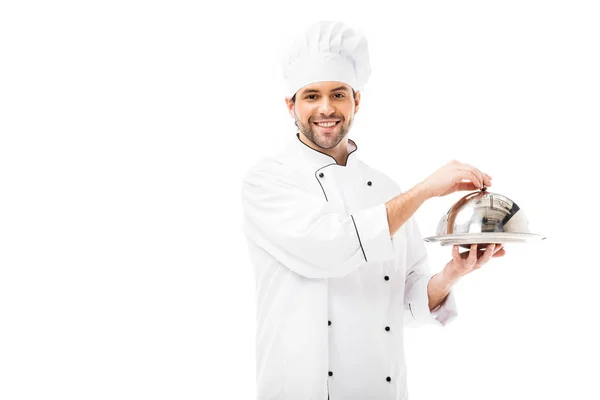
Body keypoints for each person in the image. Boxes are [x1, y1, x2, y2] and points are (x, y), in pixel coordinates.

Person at [240, 21, 505, 400]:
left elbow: (404, 305)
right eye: (311, 95)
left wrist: (451, 274)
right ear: (291, 105)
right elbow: (331, 248)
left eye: (338, 94)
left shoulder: (385, 190)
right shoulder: (268, 181)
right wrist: (427, 190)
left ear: (357, 101)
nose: (326, 108)